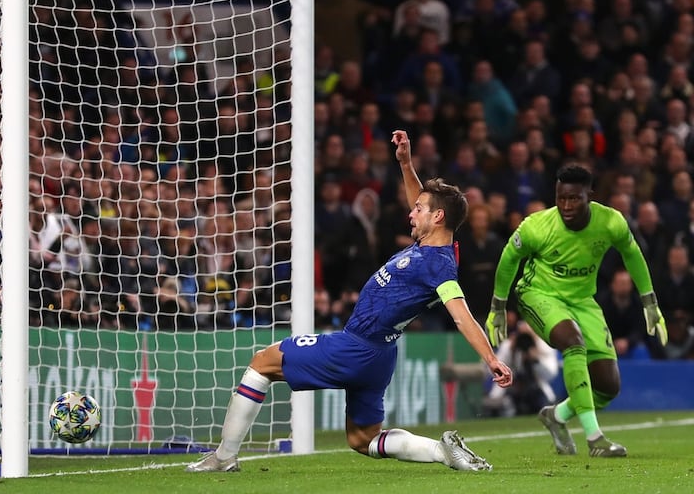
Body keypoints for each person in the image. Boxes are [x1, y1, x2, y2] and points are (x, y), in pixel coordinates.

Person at [186, 131, 513, 473]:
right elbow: (424, 200)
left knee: (262, 364)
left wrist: (490, 359)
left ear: (438, 218)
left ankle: (223, 457)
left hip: (355, 347)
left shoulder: (440, 268)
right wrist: (405, 164)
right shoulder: (434, 244)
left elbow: (461, 316)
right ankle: (444, 451)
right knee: (363, 439)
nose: (411, 212)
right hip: (380, 356)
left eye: (419, 210)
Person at [486, 164, 667, 458]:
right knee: (573, 341)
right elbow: (509, 259)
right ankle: (595, 438)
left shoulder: (610, 222)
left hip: (583, 300)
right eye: (561, 198)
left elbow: (632, 254)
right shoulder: (537, 226)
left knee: (609, 386)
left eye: (574, 199)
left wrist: (649, 301)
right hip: (538, 294)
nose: (567, 206)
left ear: (589, 196)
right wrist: (498, 306)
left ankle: (556, 415)